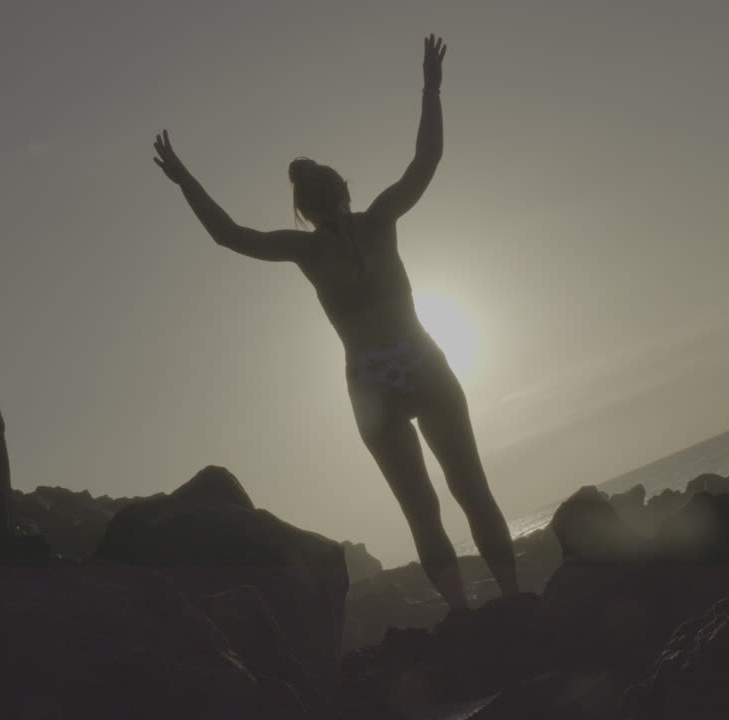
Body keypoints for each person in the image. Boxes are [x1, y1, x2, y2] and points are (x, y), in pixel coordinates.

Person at [152, 34, 518, 609]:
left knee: (420, 509)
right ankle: (516, 598)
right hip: (422, 360)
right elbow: (428, 159)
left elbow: (228, 234)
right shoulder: (380, 220)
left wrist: (184, 180)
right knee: (472, 490)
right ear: (344, 191)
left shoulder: (305, 250)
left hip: (371, 383)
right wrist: (430, 88)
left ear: (304, 208)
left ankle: (463, 616)